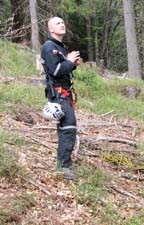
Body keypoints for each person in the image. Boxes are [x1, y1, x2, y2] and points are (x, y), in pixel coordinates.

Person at [41, 16, 82, 180]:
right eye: (58, 23)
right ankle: (63, 167)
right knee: (68, 128)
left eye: (63, 22)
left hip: (66, 92)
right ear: (51, 29)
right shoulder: (49, 46)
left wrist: (73, 64)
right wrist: (70, 62)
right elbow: (55, 71)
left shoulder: (60, 47)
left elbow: (63, 69)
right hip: (59, 93)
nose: (62, 25)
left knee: (67, 128)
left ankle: (64, 164)